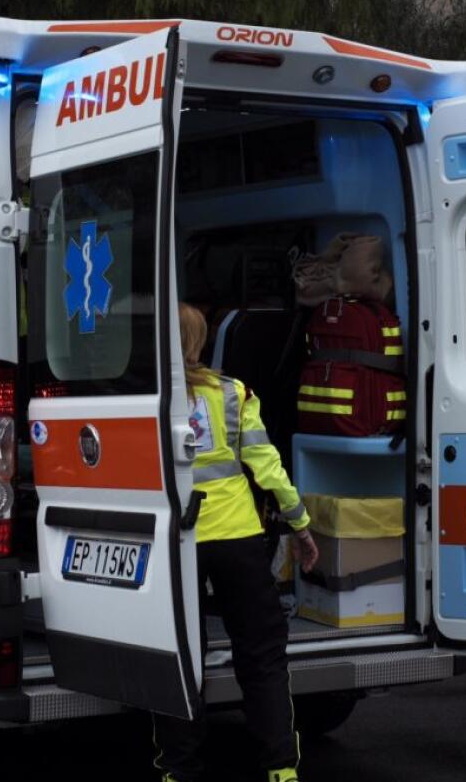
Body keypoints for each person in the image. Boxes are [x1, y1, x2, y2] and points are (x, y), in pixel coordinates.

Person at [154, 303, 320, 782]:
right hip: (238, 537)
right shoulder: (234, 393)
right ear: (200, 341)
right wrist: (299, 523)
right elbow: (267, 466)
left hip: (177, 541)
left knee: (180, 655)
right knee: (262, 655)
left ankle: (179, 770)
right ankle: (280, 768)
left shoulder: (151, 398)